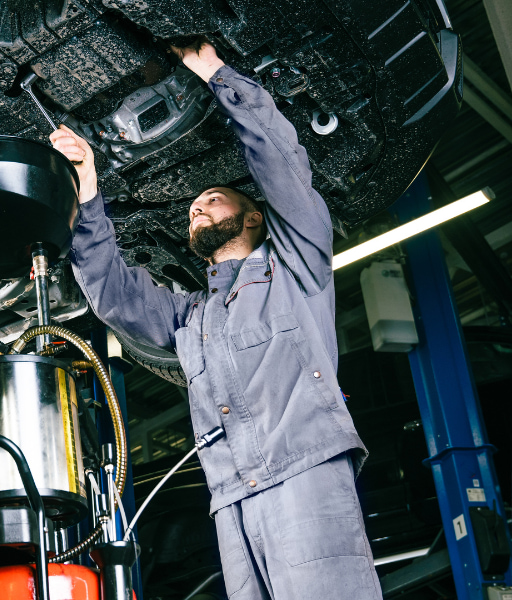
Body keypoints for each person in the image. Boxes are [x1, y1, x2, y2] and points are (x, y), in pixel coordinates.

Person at [51, 40, 383, 599]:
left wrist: (213, 71)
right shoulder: (193, 318)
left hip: (305, 467)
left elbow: (281, 166)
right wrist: (88, 188)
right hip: (231, 495)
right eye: (192, 210)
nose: (196, 209)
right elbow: (110, 291)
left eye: (211, 199)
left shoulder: (294, 267)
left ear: (253, 217)